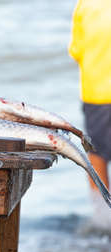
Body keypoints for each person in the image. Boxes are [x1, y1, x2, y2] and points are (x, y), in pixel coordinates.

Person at [69, 0, 111, 231]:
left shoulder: (85, 5)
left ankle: (103, 215)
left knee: (97, 152)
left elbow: (76, 50)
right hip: (98, 93)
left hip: (96, 92)